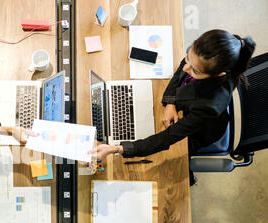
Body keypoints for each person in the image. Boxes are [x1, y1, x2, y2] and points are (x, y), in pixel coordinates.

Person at [89, 30, 256, 185]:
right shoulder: (204, 55)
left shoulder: (209, 105)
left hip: (200, 131)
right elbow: (182, 70)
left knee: (165, 166)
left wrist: (116, 148)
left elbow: (167, 138)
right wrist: (170, 102)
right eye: (188, 58)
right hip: (186, 106)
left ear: (219, 75)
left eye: (195, 71)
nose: (185, 67)